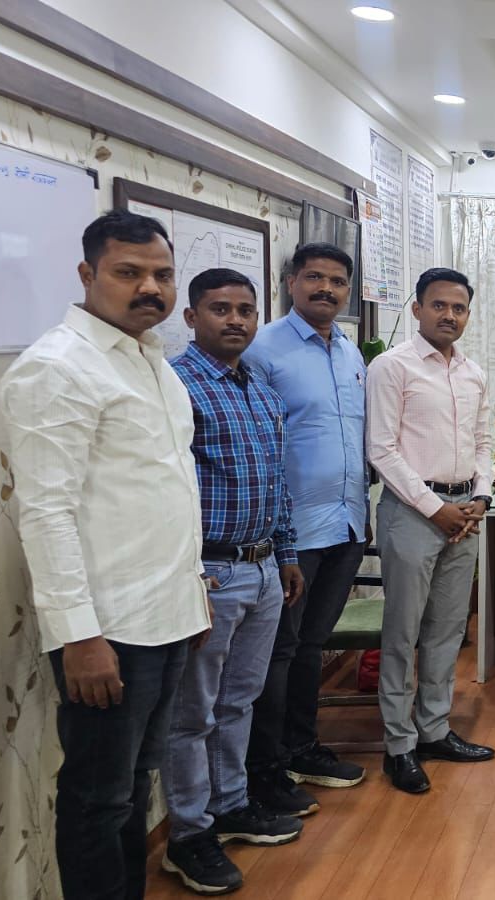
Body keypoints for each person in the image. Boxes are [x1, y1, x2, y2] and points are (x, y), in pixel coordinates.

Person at [1, 211, 210, 899]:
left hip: (166, 613)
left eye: (162, 274)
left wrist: (193, 593)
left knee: (134, 787)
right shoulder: (57, 368)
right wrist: (79, 637)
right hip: (108, 629)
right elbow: (46, 514)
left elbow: (165, 489)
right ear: (88, 275)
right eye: (129, 272)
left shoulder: (151, 360)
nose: (150, 287)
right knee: (97, 798)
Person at [163, 268, 305, 894]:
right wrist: (187, 573)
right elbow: (167, 492)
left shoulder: (260, 391)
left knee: (239, 700)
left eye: (245, 310)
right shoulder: (176, 385)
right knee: (191, 712)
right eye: (220, 309)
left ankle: (230, 803)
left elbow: (277, 482)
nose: (236, 320)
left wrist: (286, 553)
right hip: (211, 572)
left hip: (264, 566)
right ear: (191, 317)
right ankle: (188, 834)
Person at [243, 242, 369, 815]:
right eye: (314, 277)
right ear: (290, 281)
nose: (326, 289)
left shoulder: (348, 351)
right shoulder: (263, 348)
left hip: (345, 524)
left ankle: (301, 748)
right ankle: (265, 770)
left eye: (337, 281)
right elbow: (258, 447)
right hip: (290, 535)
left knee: (311, 645)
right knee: (278, 652)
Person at [366, 267, 495, 794]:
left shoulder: (473, 372)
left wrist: (481, 497)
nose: (449, 315)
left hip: (465, 512)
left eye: (459, 308)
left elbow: (484, 441)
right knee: (403, 633)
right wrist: (432, 507)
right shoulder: (391, 366)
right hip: (411, 514)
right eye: (439, 305)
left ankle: (434, 730)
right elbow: (381, 449)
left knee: (447, 630)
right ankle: (399, 746)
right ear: (418, 308)